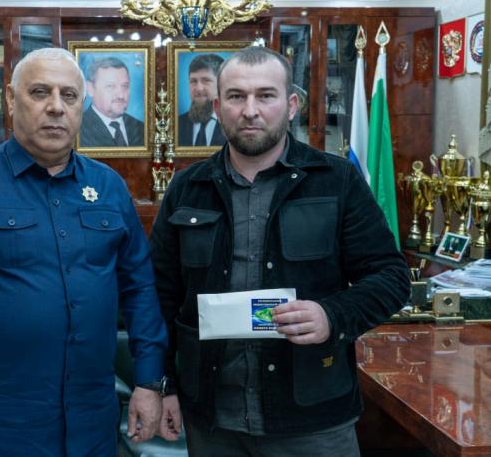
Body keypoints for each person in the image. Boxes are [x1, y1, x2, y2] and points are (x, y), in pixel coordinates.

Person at [0, 47, 168, 456]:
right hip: (0, 426)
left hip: (92, 420)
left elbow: (140, 290)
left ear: (82, 104)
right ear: (11, 99)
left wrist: (148, 381)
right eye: (40, 92)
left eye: (69, 95)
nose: (56, 107)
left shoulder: (109, 188)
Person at [150, 47, 410, 455]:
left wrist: (331, 316)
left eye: (265, 95)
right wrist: (164, 384)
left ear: (290, 106)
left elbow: (391, 277)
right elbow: (161, 296)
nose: (250, 110)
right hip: (214, 418)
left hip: (312, 417)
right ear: (218, 108)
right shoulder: (187, 189)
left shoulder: (337, 180)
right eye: (236, 96)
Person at [80, 57, 144, 147]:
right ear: (90, 89)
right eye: (110, 86)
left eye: (124, 86)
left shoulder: (141, 128)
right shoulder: (78, 129)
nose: (120, 95)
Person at [178, 53, 226, 147]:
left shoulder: (232, 123)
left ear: (221, 84)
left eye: (206, 81)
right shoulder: (177, 124)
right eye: (193, 81)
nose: (199, 88)